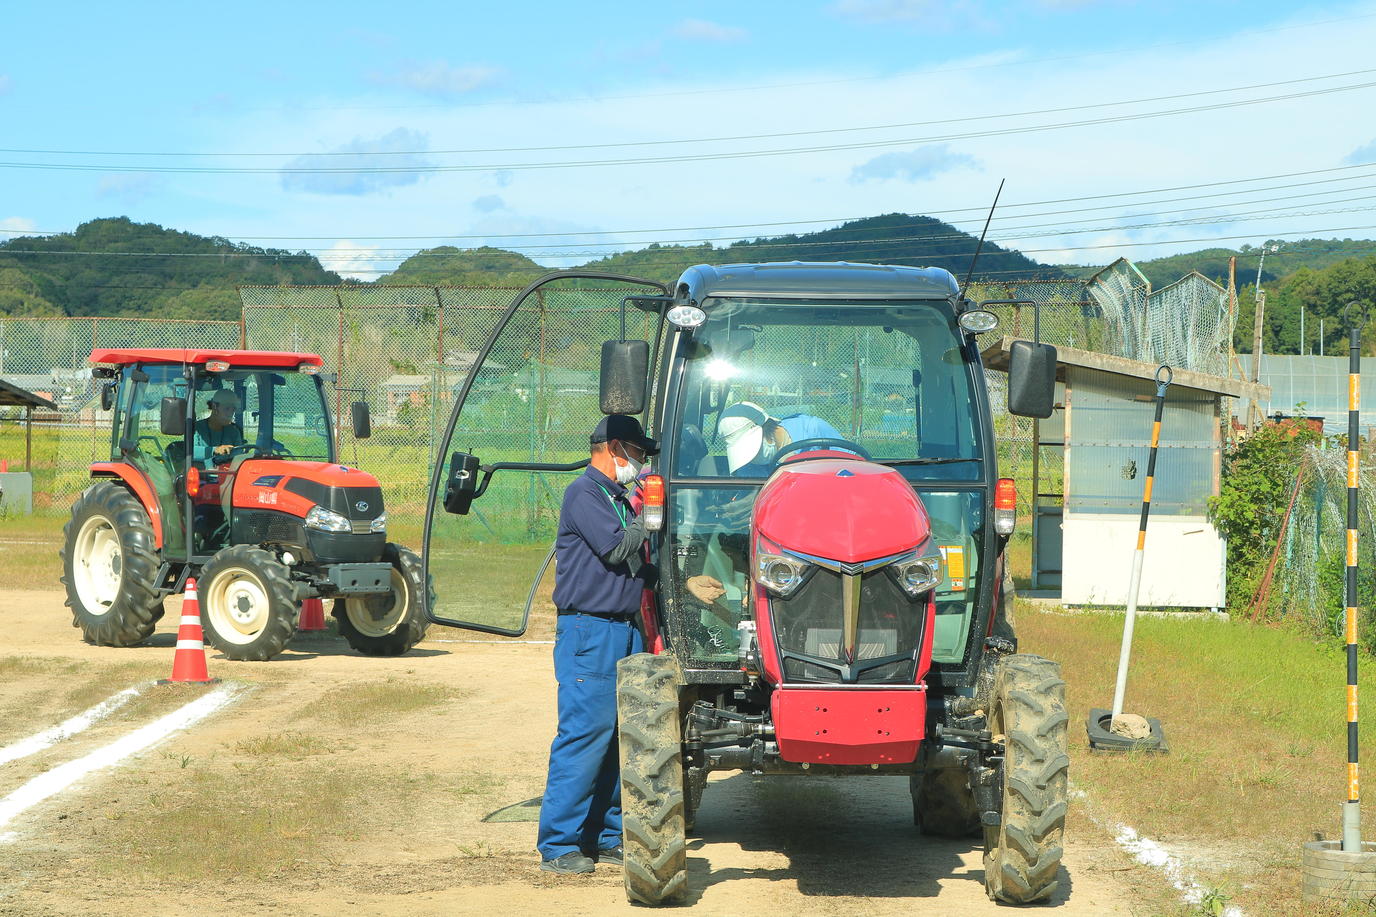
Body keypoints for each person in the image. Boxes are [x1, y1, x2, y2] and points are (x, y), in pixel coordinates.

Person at [537, 413, 659, 875]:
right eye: (638, 452)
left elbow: (632, 566)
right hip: (590, 632)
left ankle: (604, 836)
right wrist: (651, 516)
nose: (641, 462)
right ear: (614, 447)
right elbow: (614, 549)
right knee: (585, 736)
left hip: (622, 630)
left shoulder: (615, 497)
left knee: (615, 741)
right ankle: (558, 844)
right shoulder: (584, 494)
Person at [716, 401, 845, 476]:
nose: (751, 458)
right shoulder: (747, 466)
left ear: (765, 428)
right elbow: (751, 498)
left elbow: (851, 468)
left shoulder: (813, 429)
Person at [193, 389, 245, 467]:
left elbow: (239, 457)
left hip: (228, 477)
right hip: (201, 477)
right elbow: (190, 452)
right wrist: (215, 450)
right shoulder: (197, 428)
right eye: (227, 409)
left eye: (233, 409)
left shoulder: (234, 432)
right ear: (215, 406)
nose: (230, 414)